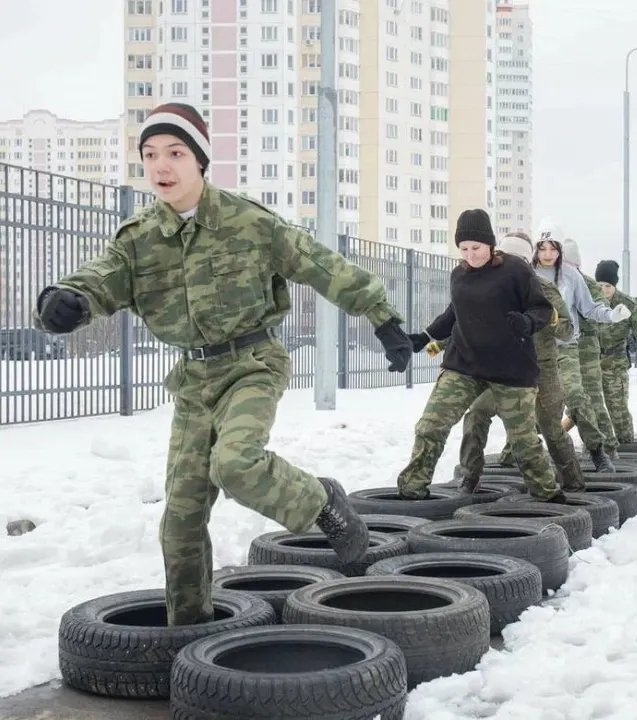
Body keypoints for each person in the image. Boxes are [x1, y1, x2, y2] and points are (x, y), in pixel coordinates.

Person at [32, 103, 413, 626]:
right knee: (180, 522)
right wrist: (62, 300)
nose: (161, 166)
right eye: (150, 155)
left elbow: (321, 264)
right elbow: (98, 279)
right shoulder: (138, 240)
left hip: (251, 364)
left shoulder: (247, 221)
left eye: (175, 153)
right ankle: (190, 632)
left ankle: (321, 500)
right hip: (192, 382)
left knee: (235, 463)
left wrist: (382, 317)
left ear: (200, 160)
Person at [397, 210, 565, 502]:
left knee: (523, 442)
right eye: (463, 249)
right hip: (464, 365)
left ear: (490, 244)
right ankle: (412, 490)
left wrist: (527, 322)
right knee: (430, 426)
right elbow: (453, 314)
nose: (470, 255)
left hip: (511, 370)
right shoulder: (459, 275)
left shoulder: (515, 270)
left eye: (475, 247)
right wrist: (425, 336)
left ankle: (548, 495)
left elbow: (542, 309)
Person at [458, 232, 586, 492]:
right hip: (507, 371)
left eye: (518, 259)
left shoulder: (544, 289)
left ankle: (573, 483)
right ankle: (470, 477)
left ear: (527, 262)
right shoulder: (489, 287)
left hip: (542, 371)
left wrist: (548, 318)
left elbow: (568, 330)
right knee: (477, 413)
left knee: (551, 430)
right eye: (506, 257)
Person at [532, 219, 631, 473]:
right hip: (534, 349)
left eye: (553, 248)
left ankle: (597, 451)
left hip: (566, 347)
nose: (547, 254)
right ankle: (523, 456)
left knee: (576, 396)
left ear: (559, 249)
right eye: (542, 248)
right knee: (529, 404)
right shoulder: (526, 275)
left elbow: (590, 308)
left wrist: (611, 315)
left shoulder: (570, 275)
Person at [559, 239, 622, 457]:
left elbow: (600, 309)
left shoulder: (585, 283)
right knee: (570, 399)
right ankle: (590, 443)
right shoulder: (552, 281)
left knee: (592, 397)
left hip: (585, 347)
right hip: (560, 347)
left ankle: (607, 446)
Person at [594, 259, 637, 445]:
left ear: (614, 285)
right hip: (589, 362)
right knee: (588, 410)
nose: (603, 290)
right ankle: (594, 449)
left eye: (608, 286)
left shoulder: (626, 305)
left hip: (614, 364)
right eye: (600, 285)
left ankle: (626, 448)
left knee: (618, 410)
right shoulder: (588, 300)